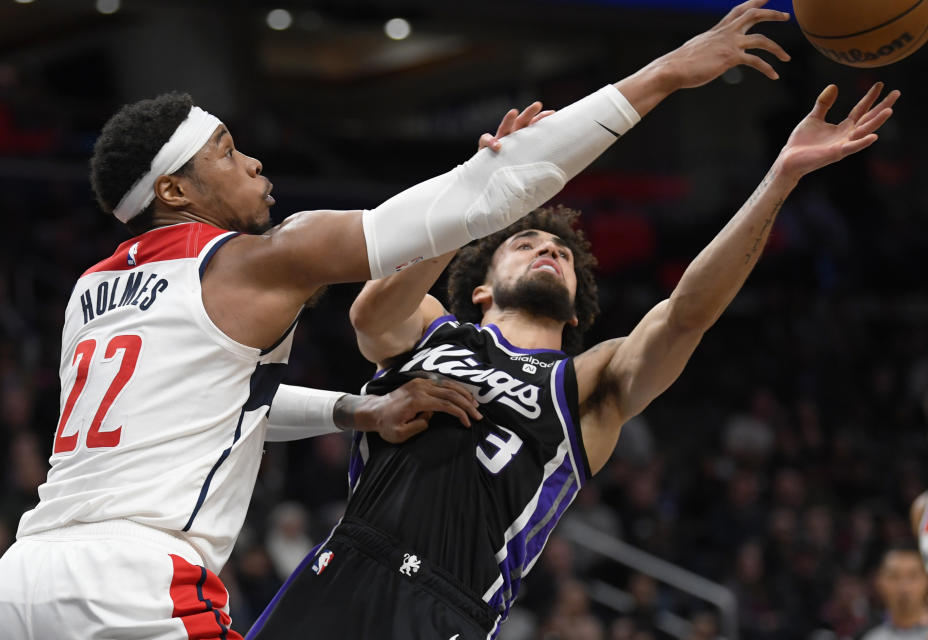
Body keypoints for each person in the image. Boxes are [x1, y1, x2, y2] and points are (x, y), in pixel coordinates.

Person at [0, 0, 792, 636]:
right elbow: (482, 199)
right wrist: (666, 75)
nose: (254, 158)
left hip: (23, 577)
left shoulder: (92, 291)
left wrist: (355, 409)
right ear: (175, 192)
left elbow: (229, 406)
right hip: (136, 583)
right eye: (226, 150)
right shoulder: (261, 259)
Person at [247, 78, 898, 639]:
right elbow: (369, 315)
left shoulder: (588, 382)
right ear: (480, 287)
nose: (548, 252)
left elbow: (686, 312)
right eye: (525, 241)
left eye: (559, 253)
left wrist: (780, 178)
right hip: (343, 558)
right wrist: (475, 199)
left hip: (443, 601)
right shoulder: (434, 330)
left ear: (577, 308)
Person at [859, 548, 928, 640]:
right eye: (894, 577)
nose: (904, 587)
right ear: (879, 582)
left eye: (913, 576)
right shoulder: (871, 637)